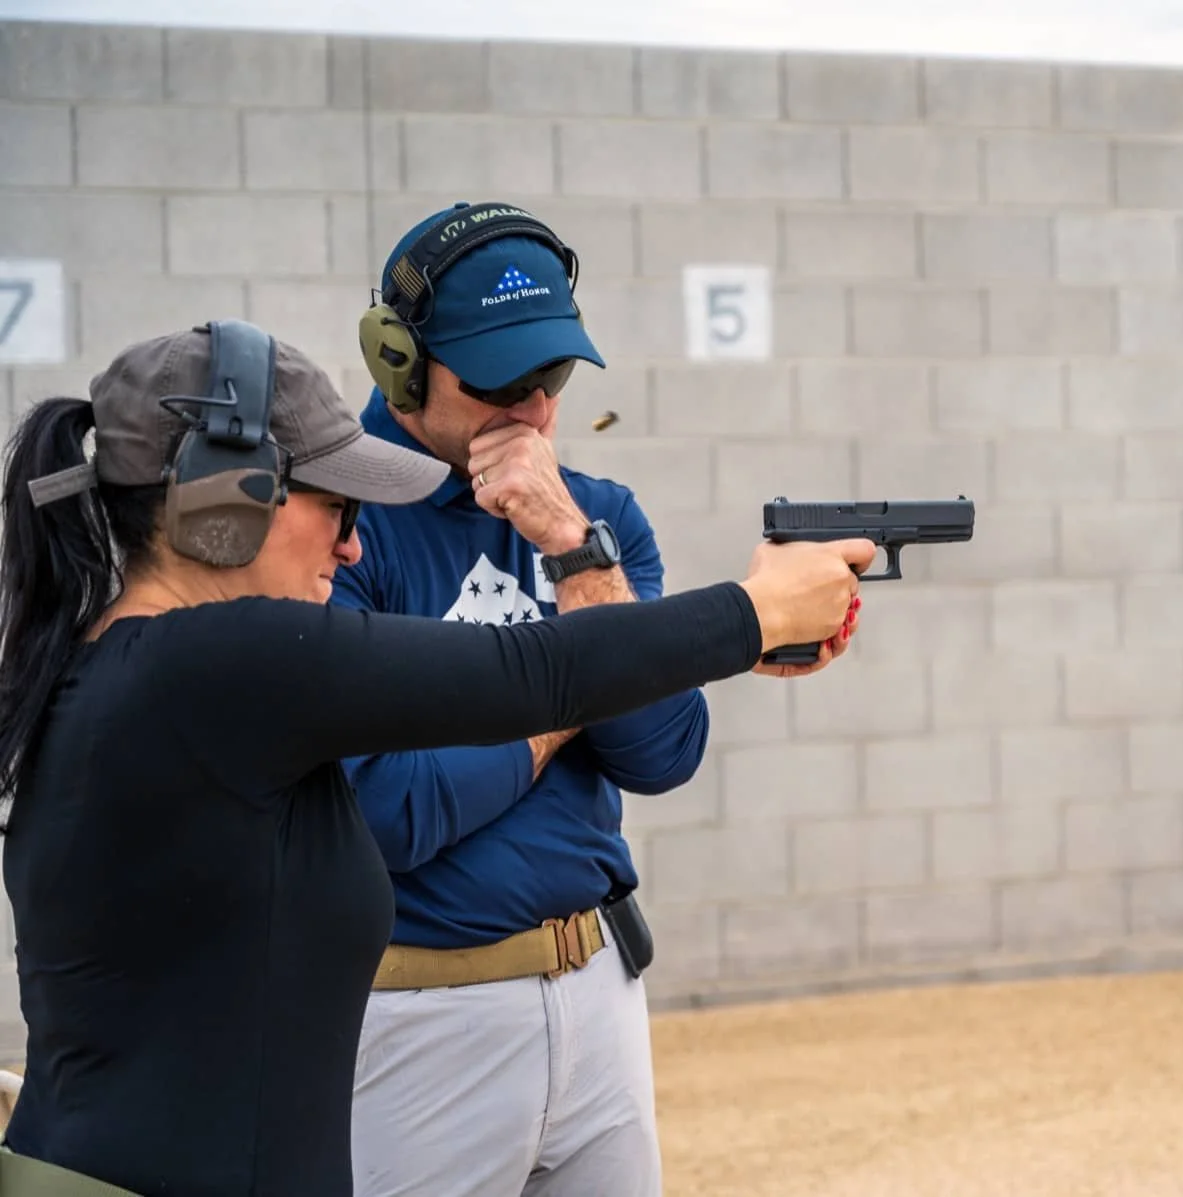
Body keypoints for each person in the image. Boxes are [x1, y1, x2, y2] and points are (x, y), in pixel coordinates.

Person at [0, 319, 871, 1197]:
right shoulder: (220, 662)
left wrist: (699, 640)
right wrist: (758, 608)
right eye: (336, 506)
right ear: (224, 498)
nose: (353, 544)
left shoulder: (125, 666)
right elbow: (534, 669)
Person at [333, 200, 828, 1197]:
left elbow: (663, 751)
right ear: (399, 362)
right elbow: (391, 814)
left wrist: (571, 551)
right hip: (416, 1015)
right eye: (497, 381)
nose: (533, 411)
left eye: (550, 377)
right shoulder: (338, 530)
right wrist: (571, 690)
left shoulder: (598, 519)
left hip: (596, 989)